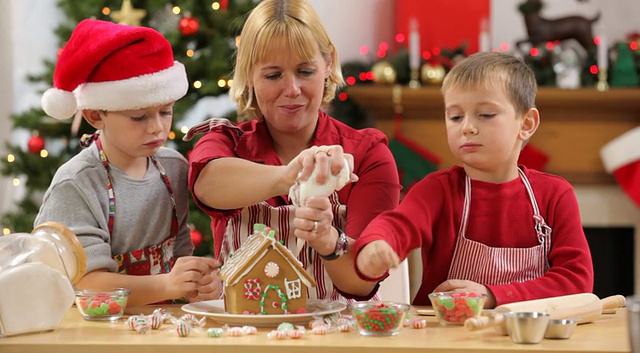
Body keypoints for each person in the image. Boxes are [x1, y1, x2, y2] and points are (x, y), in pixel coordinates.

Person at [186, 0, 401, 301]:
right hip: (242, 336)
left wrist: (328, 241)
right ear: (249, 75)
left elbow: (360, 283)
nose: (292, 90)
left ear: (328, 64)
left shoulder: (367, 154)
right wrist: (290, 174)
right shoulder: (226, 142)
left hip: (335, 340)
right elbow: (207, 185)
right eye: (273, 75)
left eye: (305, 71)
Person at [353, 51, 594, 308]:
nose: (467, 127)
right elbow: (397, 225)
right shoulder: (438, 190)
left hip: (529, 339)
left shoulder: (555, 194)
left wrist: (491, 296)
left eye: (486, 114)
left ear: (526, 123)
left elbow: (576, 280)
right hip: (448, 337)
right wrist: (376, 244)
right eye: (455, 117)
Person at [35, 19, 220, 307]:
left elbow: (179, 253)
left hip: (163, 327)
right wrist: (167, 283)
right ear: (95, 115)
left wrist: (195, 282)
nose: (157, 128)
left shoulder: (174, 168)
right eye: (139, 117)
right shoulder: (77, 184)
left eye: (166, 112)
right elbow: (85, 284)